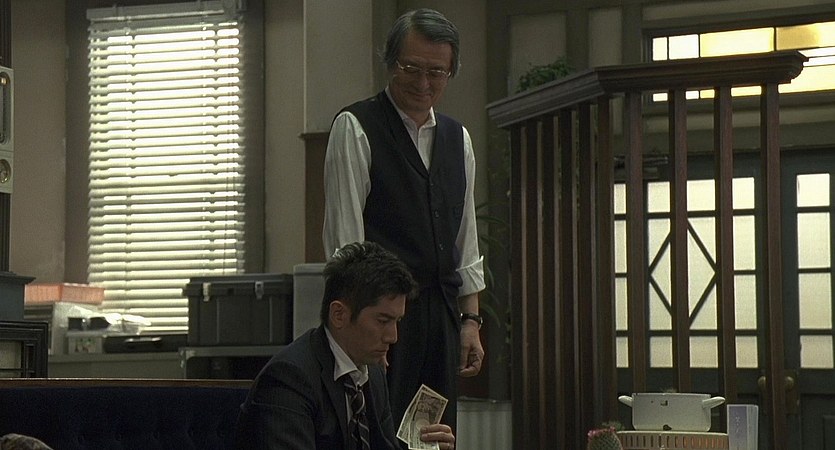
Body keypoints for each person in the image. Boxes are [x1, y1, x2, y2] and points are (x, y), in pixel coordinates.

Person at [322, 8, 485, 433]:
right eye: (411, 68)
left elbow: (465, 241)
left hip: (441, 316)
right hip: (380, 318)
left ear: (450, 72)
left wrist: (470, 321)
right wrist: (364, 331)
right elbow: (345, 246)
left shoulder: (458, 139)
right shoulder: (356, 127)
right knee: (381, 428)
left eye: (436, 72)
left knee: (435, 433)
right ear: (391, 62)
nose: (423, 82)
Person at [234, 241, 456, 449]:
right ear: (339, 314)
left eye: (397, 321)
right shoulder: (289, 378)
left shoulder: (373, 372)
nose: (393, 337)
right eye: (382, 321)